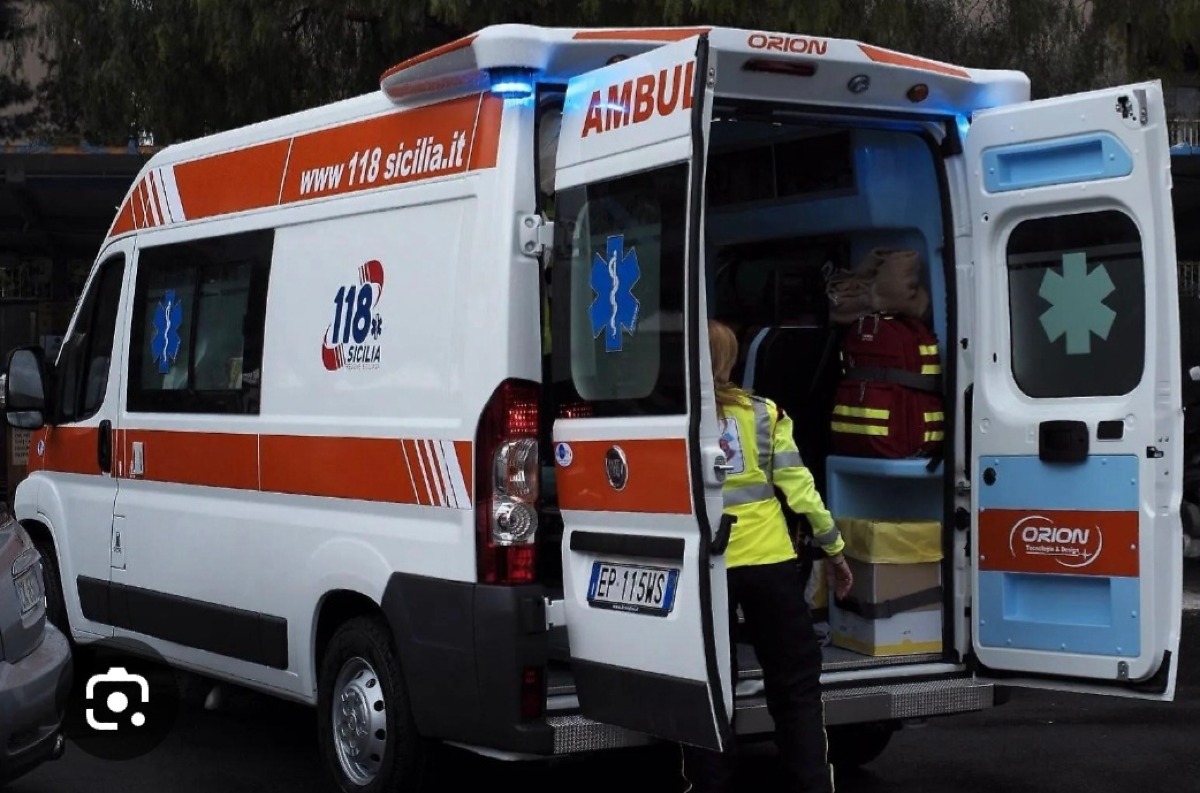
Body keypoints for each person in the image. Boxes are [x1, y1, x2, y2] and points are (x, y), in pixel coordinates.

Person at [681, 319, 854, 793]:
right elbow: (800, 490)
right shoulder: (765, 414)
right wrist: (834, 549)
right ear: (730, 360)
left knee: (711, 685)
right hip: (770, 562)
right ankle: (811, 784)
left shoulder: (677, 419)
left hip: (706, 564)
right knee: (795, 685)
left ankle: (711, 785)